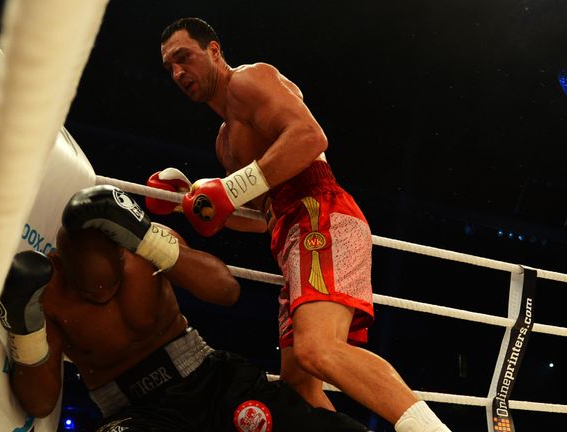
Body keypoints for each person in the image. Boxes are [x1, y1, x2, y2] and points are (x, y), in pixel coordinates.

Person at [155, 17, 451, 432]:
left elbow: (310, 137)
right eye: (170, 67)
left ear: (214, 51)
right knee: (300, 385)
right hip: (290, 233)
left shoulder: (248, 81)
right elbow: (261, 218)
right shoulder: (225, 142)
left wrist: (229, 189)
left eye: (183, 58)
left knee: (318, 349)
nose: (178, 73)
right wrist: (188, 205)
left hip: (320, 214)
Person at [0, 185, 369, 431]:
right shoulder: (50, 294)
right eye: (89, 288)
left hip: (209, 381)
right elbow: (41, 402)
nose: (102, 294)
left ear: (120, 248)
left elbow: (227, 291)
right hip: (135, 413)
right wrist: (23, 328)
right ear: (65, 263)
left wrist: (150, 241)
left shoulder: (145, 247)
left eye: (111, 281)